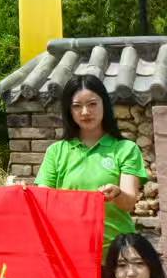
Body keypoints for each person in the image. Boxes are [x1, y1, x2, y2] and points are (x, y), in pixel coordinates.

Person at [34, 75, 148, 249]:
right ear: (69, 111)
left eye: (92, 104)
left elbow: (129, 203)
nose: (85, 112)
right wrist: (24, 193)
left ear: (105, 105)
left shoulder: (126, 149)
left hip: (117, 253)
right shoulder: (55, 152)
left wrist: (117, 194)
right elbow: (44, 201)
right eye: (77, 106)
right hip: (70, 252)